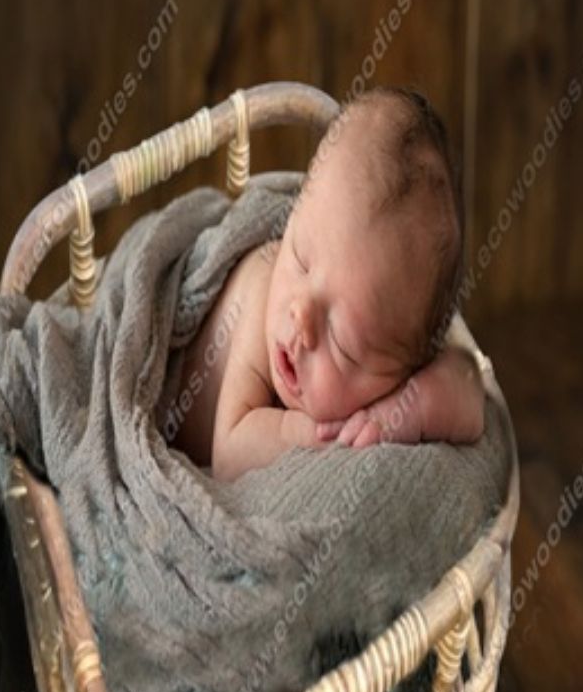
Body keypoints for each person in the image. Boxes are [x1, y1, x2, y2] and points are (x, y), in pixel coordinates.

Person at [168, 85, 485, 481]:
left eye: (343, 343)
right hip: (169, 398)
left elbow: (471, 393)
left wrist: (407, 412)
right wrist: (321, 438)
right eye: (300, 258)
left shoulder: (393, 364)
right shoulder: (261, 299)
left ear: (406, 367)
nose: (300, 315)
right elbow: (230, 452)